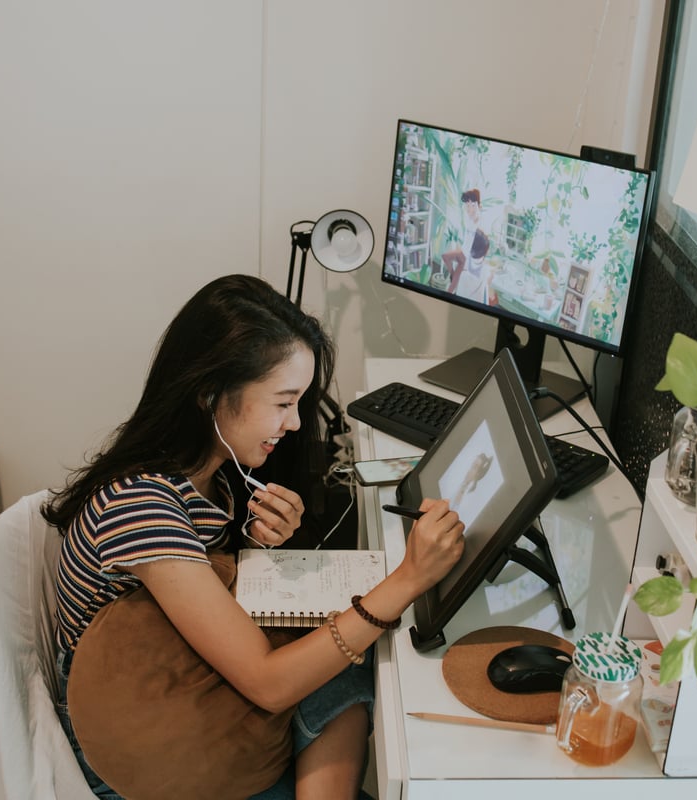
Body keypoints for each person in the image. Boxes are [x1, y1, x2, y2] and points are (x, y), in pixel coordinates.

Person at [42, 274, 465, 800]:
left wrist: (260, 545)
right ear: (209, 393)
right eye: (282, 402)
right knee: (347, 665)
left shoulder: (209, 475)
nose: (292, 424)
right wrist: (408, 580)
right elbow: (268, 682)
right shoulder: (141, 507)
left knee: (346, 671)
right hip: (135, 745)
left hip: (182, 683)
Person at [442, 189, 491, 302]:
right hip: (465, 262)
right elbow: (466, 245)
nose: (470, 210)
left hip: (473, 268)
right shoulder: (470, 222)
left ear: (479, 205)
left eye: (473, 205)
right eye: (467, 206)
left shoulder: (481, 226)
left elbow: (482, 249)